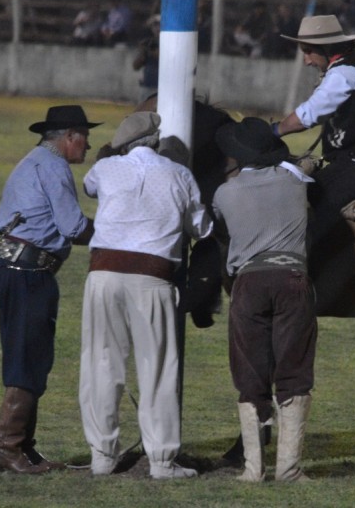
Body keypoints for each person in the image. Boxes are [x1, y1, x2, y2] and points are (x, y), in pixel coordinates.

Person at [79, 112, 211, 479]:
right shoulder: (179, 175)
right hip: (153, 277)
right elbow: (202, 226)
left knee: (101, 364)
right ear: (155, 140)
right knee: (157, 369)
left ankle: (102, 455)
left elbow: (90, 186)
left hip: (104, 273)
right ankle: (162, 461)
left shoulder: (107, 170)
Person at [0, 105, 99, 474]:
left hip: (17, 266)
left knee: (31, 357)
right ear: (69, 136)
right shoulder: (54, 166)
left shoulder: (37, 160)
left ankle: (22, 446)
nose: (88, 143)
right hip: (28, 271)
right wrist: (120, 231)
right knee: (28, 359)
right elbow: (71, 226)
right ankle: (7, 448)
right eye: (85, 135)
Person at [212, 117, 317, 483]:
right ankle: (289, 468)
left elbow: (220, 228)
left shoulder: (224, 193)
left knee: (250, 372)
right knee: (294, 370)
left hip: (248, 281)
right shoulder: (295, 183)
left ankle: (253, 468)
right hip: (292, 279)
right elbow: (304, 172)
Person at [273, 15, 355, 244]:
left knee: (311, 211)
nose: (307, 61)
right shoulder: (354, 66)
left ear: (327, 48)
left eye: (308, 51)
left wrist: (275, 131)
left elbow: (308, 115)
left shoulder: (345, 72)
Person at [132, 14, 160, 102]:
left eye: (159, 25)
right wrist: (142, 53)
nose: (157, 28)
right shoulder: (149, 42)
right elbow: (135, 66)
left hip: (162, 87)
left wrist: (150, 51)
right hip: (147, 85)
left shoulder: (170, 42)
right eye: (154, 25)